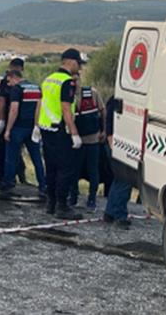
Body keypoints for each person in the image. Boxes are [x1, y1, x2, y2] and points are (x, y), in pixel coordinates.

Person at [36, 48, 85, 220]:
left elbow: (41, 103)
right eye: (78, 64)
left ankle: (51, 203)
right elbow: (66, 109)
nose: (79, 69)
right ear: (71, 61)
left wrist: (37, 126)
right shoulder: (67, 82)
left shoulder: (49, 79)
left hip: (46, 129)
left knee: (51, 167)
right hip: (60, 131)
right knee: (65, 169)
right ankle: (62, 206)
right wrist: (74, 133)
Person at [2, 70, 46, 195]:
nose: (9, 84)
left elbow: (14, 110)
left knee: (11, 157)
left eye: (9, 81)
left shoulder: (17, 89)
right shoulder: (36, 88)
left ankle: (8, 184)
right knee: (37, 158)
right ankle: (43, 185)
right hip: (33, 128)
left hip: (18, 127)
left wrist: (8, 129)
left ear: (14, 77)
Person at [68, 76, 106, 210]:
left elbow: (102, 111)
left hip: (92, 139)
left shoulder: (93, 93)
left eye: (76, 80)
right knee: (74, 170)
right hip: (75, 140)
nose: (74, 83)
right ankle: (73, 196)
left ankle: (92, 199)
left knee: (93, 171)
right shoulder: (67, 96)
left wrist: (104, 130)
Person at [0, 58, 27, 187]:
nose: (15, 70)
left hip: (16, 121)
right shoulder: (4, 82)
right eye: (13, 67)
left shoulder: (23, 83)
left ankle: (17, 177)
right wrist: (1, 120)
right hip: (3, 117)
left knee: (15, 151)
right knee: (1, 148)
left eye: (17, 68)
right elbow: (0, 101)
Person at [103, 96, 133, 229]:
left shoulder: (114, 99)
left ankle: (109, 213)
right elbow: (109, 122)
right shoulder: (117, 100)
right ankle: (120, 216)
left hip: (117, 143)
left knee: (118, 180)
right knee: (125, 180)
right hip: (118, 144)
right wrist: (111, 141)